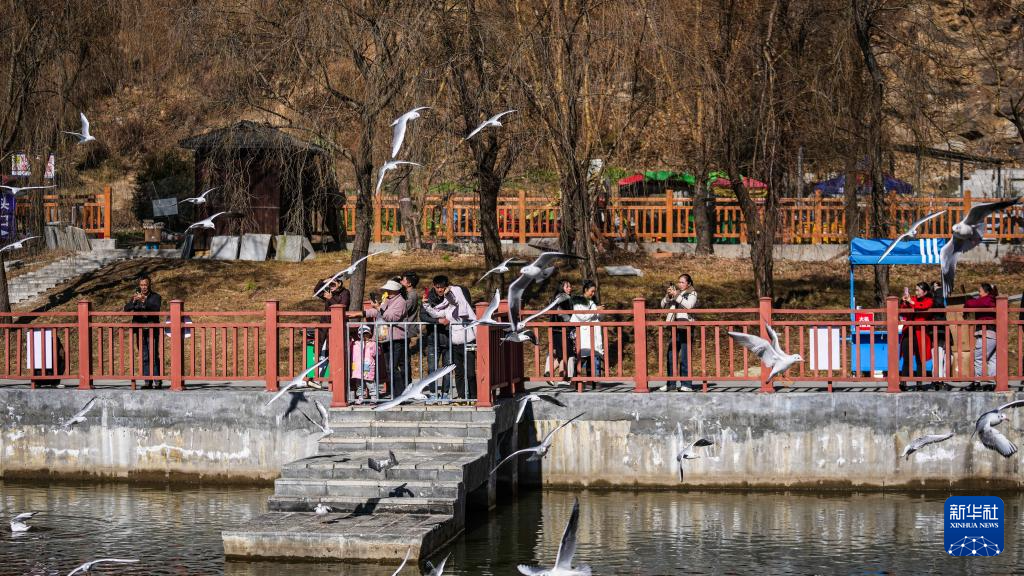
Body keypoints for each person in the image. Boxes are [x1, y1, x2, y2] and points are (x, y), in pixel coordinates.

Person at [422, 274, 477, 400]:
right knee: (458, 373)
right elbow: (436, 313)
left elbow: (456, 301)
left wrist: (449, 293)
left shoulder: (461, 304)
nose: (440, 290)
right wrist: (426, 305)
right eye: (437, 287)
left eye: (442, 287)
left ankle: (473, 396)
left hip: (468, 341)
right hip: (455, 343)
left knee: (470, 372)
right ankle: (462, 397)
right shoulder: (449, 308)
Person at [364, 279, 408, 397]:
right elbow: (379, 313)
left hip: (396, 338)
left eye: (389, 289)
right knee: (390, 368)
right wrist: (364, 313)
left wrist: (379, 307)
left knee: (392, 368)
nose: (387, 291)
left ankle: (400, 394)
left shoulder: (401, 302)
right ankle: (397, 393)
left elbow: (391, 317)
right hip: (387, 337)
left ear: (395, 290)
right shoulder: (388, 300)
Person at [659, 273, 698, 392]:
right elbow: (662, 305)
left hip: (686, 327)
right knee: (671, 355)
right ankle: (671, 383)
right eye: (679, 282)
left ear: (689, 283)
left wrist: (677, 296)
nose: (680, 284)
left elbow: (689, 306)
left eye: (682, 282)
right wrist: (668, 296)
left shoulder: (692, 293)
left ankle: (686, 384)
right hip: (674, 326)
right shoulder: (676, 293)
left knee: (685, 356)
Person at [124, 276, 163, 389]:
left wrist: (144, 301)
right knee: (144, 356)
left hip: (152, 330)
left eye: (145, 285)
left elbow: (156, 309)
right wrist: (134, 301)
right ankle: (147, 381)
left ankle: (157, 381)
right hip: (140, 330)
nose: (143, 287)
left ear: (149, 285)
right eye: (141, 285)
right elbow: (126, 309)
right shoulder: (136, 296)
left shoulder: (156, 297)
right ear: (139, 286)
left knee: (154, 355)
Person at [898, 281, 934, 389]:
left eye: (918, 290)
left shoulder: (929, 300)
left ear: (925, 292)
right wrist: (904, 302)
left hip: (920, 332)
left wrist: (911, 303)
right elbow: (903, 312)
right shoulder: (912, 298)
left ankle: (919, 383)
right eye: (915, 289)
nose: (916, 292)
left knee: (919, 358)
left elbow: (924, 307)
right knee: (906, 358)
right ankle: (903, 382)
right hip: (908, 331)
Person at [965, 282, 998, 389]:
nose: (979, 294)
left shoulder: (988, 300)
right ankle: (991, 382)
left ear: (986, 292)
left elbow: (971, 304)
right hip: (993, 333)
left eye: (980, 291)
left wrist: (967, 301)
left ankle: (976, 381)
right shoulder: (993, 300)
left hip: (985, 333)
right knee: (992, 358)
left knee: (978, 358)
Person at [571, 280, 604, 379]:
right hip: (583, 332)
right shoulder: (577, 301)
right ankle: (575, 379)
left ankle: (591, 380)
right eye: (591, 291)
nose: (593, 293)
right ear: (585, 290)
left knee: (591, 356)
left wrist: (601, 312)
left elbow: (597, 316)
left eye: (594, 292)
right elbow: (582, 317)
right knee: (582, 357)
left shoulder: (592, 302)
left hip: (592, 333)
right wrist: (595, 310)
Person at [544, 280, 576, 382]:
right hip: (562, 329)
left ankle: (551, 373)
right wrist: (569, 320)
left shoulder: (556, 298)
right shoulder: (563, 297)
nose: (570, 288)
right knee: (566, 353)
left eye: (570, 286)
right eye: (567, 287)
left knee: (561, 354)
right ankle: (561, 377)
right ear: (561, 287)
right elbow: (561, 312)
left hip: (556, 330)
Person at [350, 324, 378, 404]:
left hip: (367, 365)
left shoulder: (372, 344)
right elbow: (350, 347)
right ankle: (361, 397)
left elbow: (375, 353)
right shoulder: (356, 343)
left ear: (369, 334)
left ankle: (373, 396)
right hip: (358, 367)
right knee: (359, 383)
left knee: (369, 382)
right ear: (359, 335)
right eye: (362, 334)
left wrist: (373, 344)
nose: (364, 336)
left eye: (366, 334)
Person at [400, 271, 421, 338]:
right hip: (404, 329)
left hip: (406, 329)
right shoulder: (408, 294)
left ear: (409, 284)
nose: (400, 282)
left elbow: (401, 310)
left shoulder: (411, 296)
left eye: (403, 280)